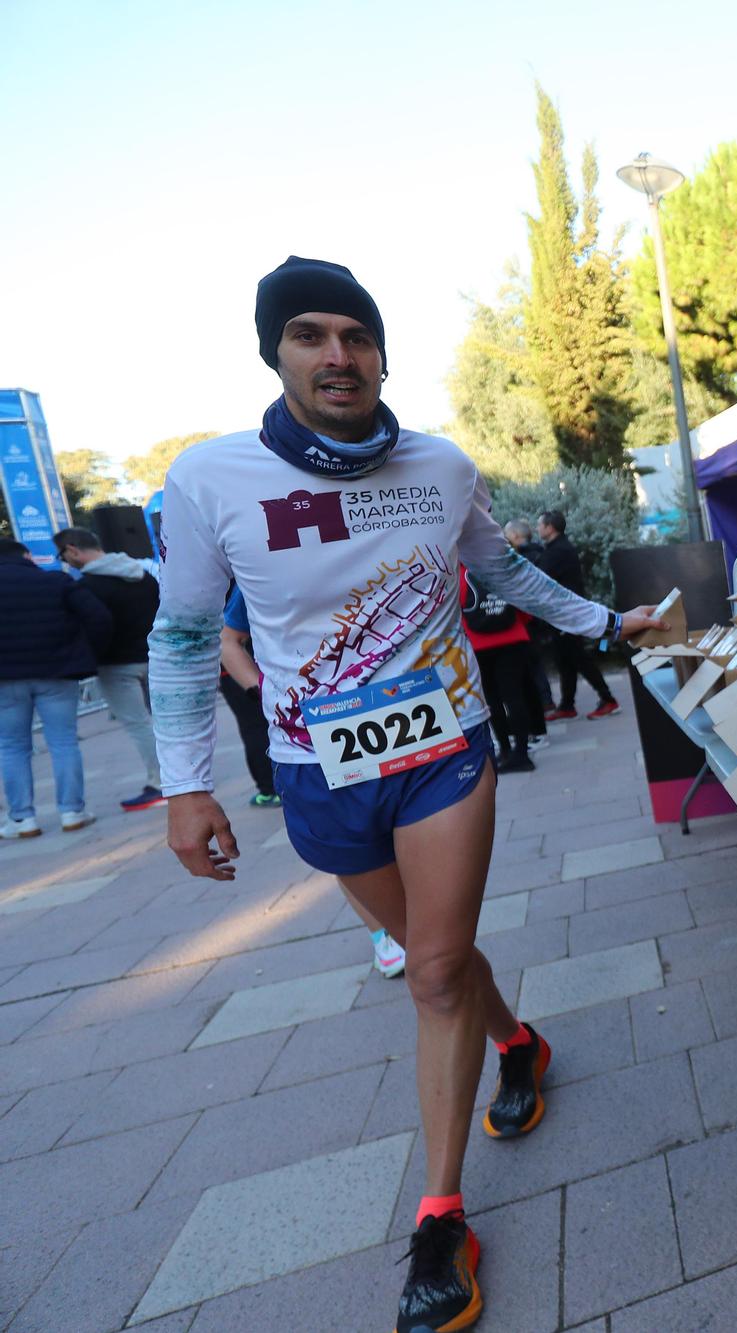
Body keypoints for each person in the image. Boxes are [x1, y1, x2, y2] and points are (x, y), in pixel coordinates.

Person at [149, 255, 662, 1332]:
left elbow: (503, 576)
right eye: (310, 335)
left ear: (381, 350)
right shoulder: (210, 479)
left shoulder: (441, 465)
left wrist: (604, 625)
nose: (338, 355)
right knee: (445, 960)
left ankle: (439, 1218)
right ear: (274, 350)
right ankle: (517, 1042)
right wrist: (186, 785)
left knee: (430, 968)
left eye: (356, 334)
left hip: (443, 748)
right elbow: (188, 633)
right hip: (319, 774)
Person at [222, 585, 406, 978]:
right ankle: (383, 936)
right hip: (322, 727)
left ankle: (419, 936)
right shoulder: (261, 563)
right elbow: (228, 640)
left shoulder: (387, 532)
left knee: (409, 835)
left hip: (403, 710)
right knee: (349, 845)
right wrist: (264, 693)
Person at [55, 526, 167, 810]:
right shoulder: (142, 576)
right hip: (155, 656)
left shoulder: (86, 587)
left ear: (72, 550)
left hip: (116, 664)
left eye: (63, 555)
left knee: (139, 724)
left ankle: (161, 782)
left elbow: (93, 625)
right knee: (166, 722)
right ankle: (182, 776)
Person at [0, 538, 107, 836]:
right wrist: (85, 652)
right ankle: (72, 811)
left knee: (12, 746)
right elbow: (98, 617)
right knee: (63, 742)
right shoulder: (56, 582)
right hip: (57, 672)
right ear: (26, 556)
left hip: (5, 680)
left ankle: (22, 818)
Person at [460, 565, 543, 775]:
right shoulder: (499, 565)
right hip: (513, 637)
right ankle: (522, 753)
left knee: (492, 699)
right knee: (515, 696)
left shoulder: (456, 571)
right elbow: (525, 601)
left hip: (478, 643)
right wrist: (518, 624)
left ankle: (505, 750)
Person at [537, 509, 619, 720]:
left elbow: (540, 578)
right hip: (564, 614)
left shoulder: (558, 551)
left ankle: (608, 699)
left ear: (550, 527)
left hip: (567, 615)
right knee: (565, 659)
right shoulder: (559, 548)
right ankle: (567, 705)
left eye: (540, 525)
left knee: (578, 658)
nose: (538, 529)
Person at [218, 588, 282, 810]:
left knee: (253, 728)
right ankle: (270, 788)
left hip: (248, 668)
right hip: (247, 668)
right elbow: (227, 640)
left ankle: (269, 789)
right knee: (258, 726)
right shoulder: (242, 578)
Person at [502, 519, 554, 742]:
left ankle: (532, 729)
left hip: (520, 626)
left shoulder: (514, 560)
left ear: (514, 536)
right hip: (535, 622)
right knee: (533, 671)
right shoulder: (541, 554)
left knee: (521, 681)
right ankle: (545, 704)